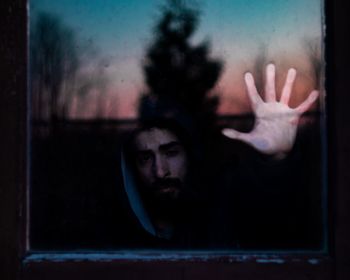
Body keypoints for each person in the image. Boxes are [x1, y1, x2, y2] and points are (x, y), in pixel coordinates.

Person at [120, 64, 320, 248]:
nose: (160, 171)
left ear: (190, 155)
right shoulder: (114, 235)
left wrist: (277, 160)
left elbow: (277, 220)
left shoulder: (223, 213)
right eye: (145, 158)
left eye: (171, 153)